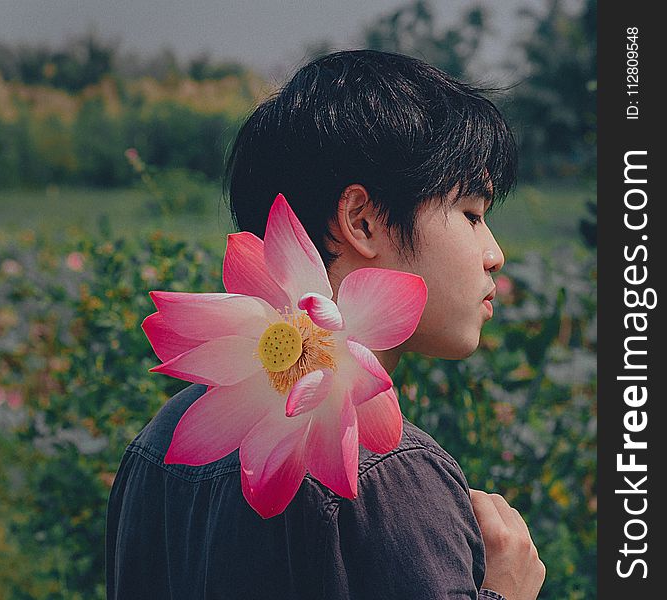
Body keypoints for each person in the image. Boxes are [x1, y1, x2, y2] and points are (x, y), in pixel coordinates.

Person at [106, 49, 545, 599]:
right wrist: (507, 588)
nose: (494, 254)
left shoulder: (159, 443)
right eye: (473, 215)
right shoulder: (387, 474)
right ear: (362, 220)